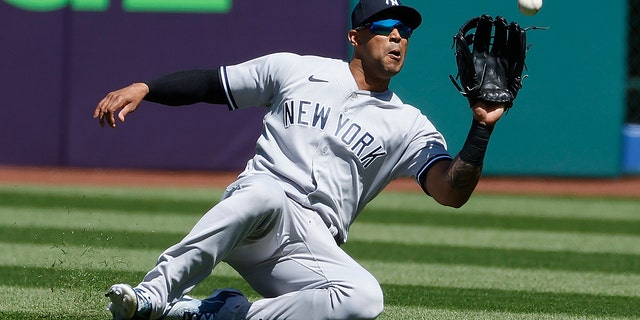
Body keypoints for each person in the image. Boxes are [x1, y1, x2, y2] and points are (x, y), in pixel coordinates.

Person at [94, 1, 508, 319]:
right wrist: (146, 87)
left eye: (405, 30)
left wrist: (482, 128)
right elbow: (212, 83)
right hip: (258, 212)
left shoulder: (409, 124)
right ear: (355, 37)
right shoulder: (295, 69)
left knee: (364, 300)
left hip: (309, 243)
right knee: (265, 193)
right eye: (384, 27)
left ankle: (224, 313)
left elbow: (450, 191)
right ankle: (154, 293)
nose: (397, 36)